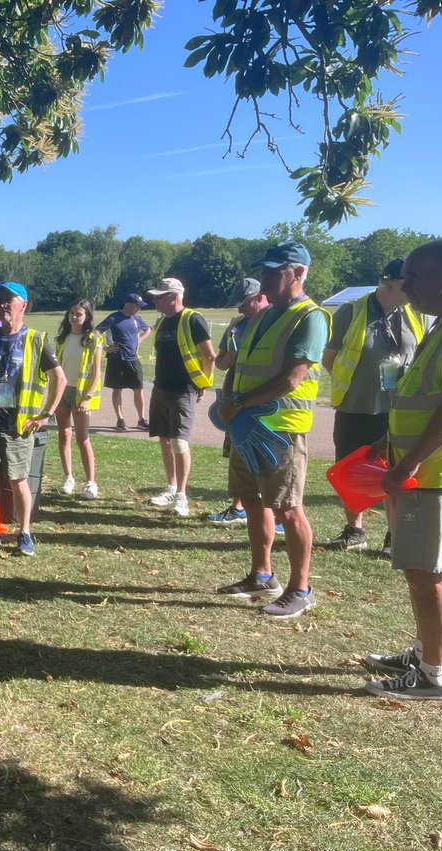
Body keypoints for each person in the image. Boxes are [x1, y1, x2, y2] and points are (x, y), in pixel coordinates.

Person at [216, 240, 329, 618]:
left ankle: (301, 588)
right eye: (263, 270)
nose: (264, 277)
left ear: (297, 273)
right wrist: (228, 402)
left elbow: (293, 378)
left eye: (273, 270)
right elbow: (238, 363)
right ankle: (262, 574)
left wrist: (240, 404)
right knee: (251, 502)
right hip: (245, 427)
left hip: (281, 430)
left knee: (288, 509)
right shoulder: (262, 315)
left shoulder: (311, 317)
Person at [363, 239, 442, 700]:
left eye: (415, 276)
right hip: (419, 471)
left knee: (425, 573)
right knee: (419, 570)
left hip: (433, 477)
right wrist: (390, 442)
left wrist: (410, 463)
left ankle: (433, 676)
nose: (405, 285)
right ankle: (424, 651)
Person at [321, 257, 425, 553]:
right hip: (355, 405)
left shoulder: (418, 314)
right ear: (389, 283)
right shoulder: (350, 312)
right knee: (351, 468)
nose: (415, 288)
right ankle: (355, 531)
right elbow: (330, 358)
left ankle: (395, 536)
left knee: (396, 470)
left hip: (398, 410)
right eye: (409, 283)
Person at [0, 282, 66, 556]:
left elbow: (60, 379)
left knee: (19, 480)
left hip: (16, 425)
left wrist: (46, 414)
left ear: (24, 305)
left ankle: (25, 533)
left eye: (10, 299)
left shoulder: (36, 339)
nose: (3, 303)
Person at [146, 277, 216, 518]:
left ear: (174, 297)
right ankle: (171, 487)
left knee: (179, 442)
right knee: (165, 440)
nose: (155, 300)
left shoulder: (192, 319)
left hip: (183, 390)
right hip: (160, 388)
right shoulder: (162, 321)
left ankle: (182, 496)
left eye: (159, 297)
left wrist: (203, 384)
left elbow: (209, 356)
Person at [208, 278, 270, 525]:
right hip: (235, 401)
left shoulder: (272, 323)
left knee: (265, 462)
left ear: (258, 297)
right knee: (237, 455)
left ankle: (272, 514)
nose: (239, 309)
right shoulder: (237, 325)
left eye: (243, 303)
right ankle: (238, 508)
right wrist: (233, 356)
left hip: (263, 403)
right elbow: (221, 362)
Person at [53, 300, 105, 500]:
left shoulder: (94, 339)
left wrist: (87, 398)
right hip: (62, 391)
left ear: (87, 317)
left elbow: (96, 372)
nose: (74, 316)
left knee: (82, 438)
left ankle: (91, 482)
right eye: (72, 312)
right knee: (63, 434)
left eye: (79, 314)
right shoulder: (62, 338)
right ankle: (68, 477)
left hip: (81, 393)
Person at [96, 294, 152, 430]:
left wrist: (139, 340)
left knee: (138, 389)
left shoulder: (137, 319)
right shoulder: (114, 317)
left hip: (133, 359)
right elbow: (96, 331)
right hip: (117, 359)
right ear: (129, 304)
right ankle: (120, 420)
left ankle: (141, 419)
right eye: (137, 306)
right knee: (117, 389)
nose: (138, 309)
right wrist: (105, 347)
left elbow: (148, 329)